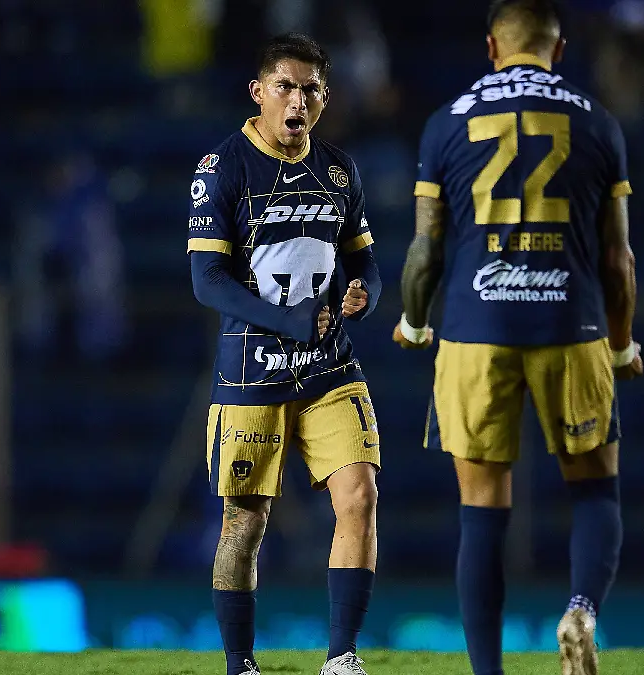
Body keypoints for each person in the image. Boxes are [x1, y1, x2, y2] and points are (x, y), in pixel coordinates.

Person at [393, 2, 642, 674]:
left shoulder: (447, 122)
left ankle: (488, 672)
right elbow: (619, 261)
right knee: (594, 490)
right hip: (572, 322)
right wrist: (621, 344)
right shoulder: (597, 122)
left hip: (476, 327)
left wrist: (415, 321)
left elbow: (424, 252)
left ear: (491, 49)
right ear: (558, 52)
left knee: (482, 509)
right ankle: (582, 607)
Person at [186, 32, 382, 675]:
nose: (299, 99)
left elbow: (367, 265)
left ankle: (342, 656)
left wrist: (364, 295)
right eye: (287, 87)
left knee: (358, 496)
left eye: (312, 89)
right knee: (244, 524)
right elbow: (207, 281)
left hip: (328, 367)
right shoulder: (222, 170)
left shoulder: (337, 169)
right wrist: (285, 321)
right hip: (252, 372)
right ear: (259, 93)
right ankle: (240, 662)